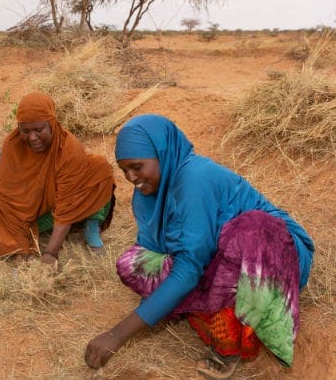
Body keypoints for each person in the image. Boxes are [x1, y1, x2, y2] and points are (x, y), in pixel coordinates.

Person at [85, 114, 314, 379]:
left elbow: (190, 267)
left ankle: (231, 345)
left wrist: (117, 335)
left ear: (163, 153)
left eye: (137, 166)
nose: (131, 177)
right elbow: (153, 249)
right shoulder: (150, 192)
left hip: (275, 257)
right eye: (124, 169)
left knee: (247, 231)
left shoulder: (195, 178)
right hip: (221, 253)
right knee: (134, 264)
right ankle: (190, 301)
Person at [0, 92, 115, 264]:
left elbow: (66, 207)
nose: (32, 138)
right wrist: (20, 243)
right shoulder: (13, 145)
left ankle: (92, 227)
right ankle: (22, 241)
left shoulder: (68, 148)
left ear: (51, 124)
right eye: (25, 131)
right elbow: (8, 195)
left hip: (62, 209)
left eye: (38, 130)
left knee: (99, 168)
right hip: (32, 215)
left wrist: (50, 253)